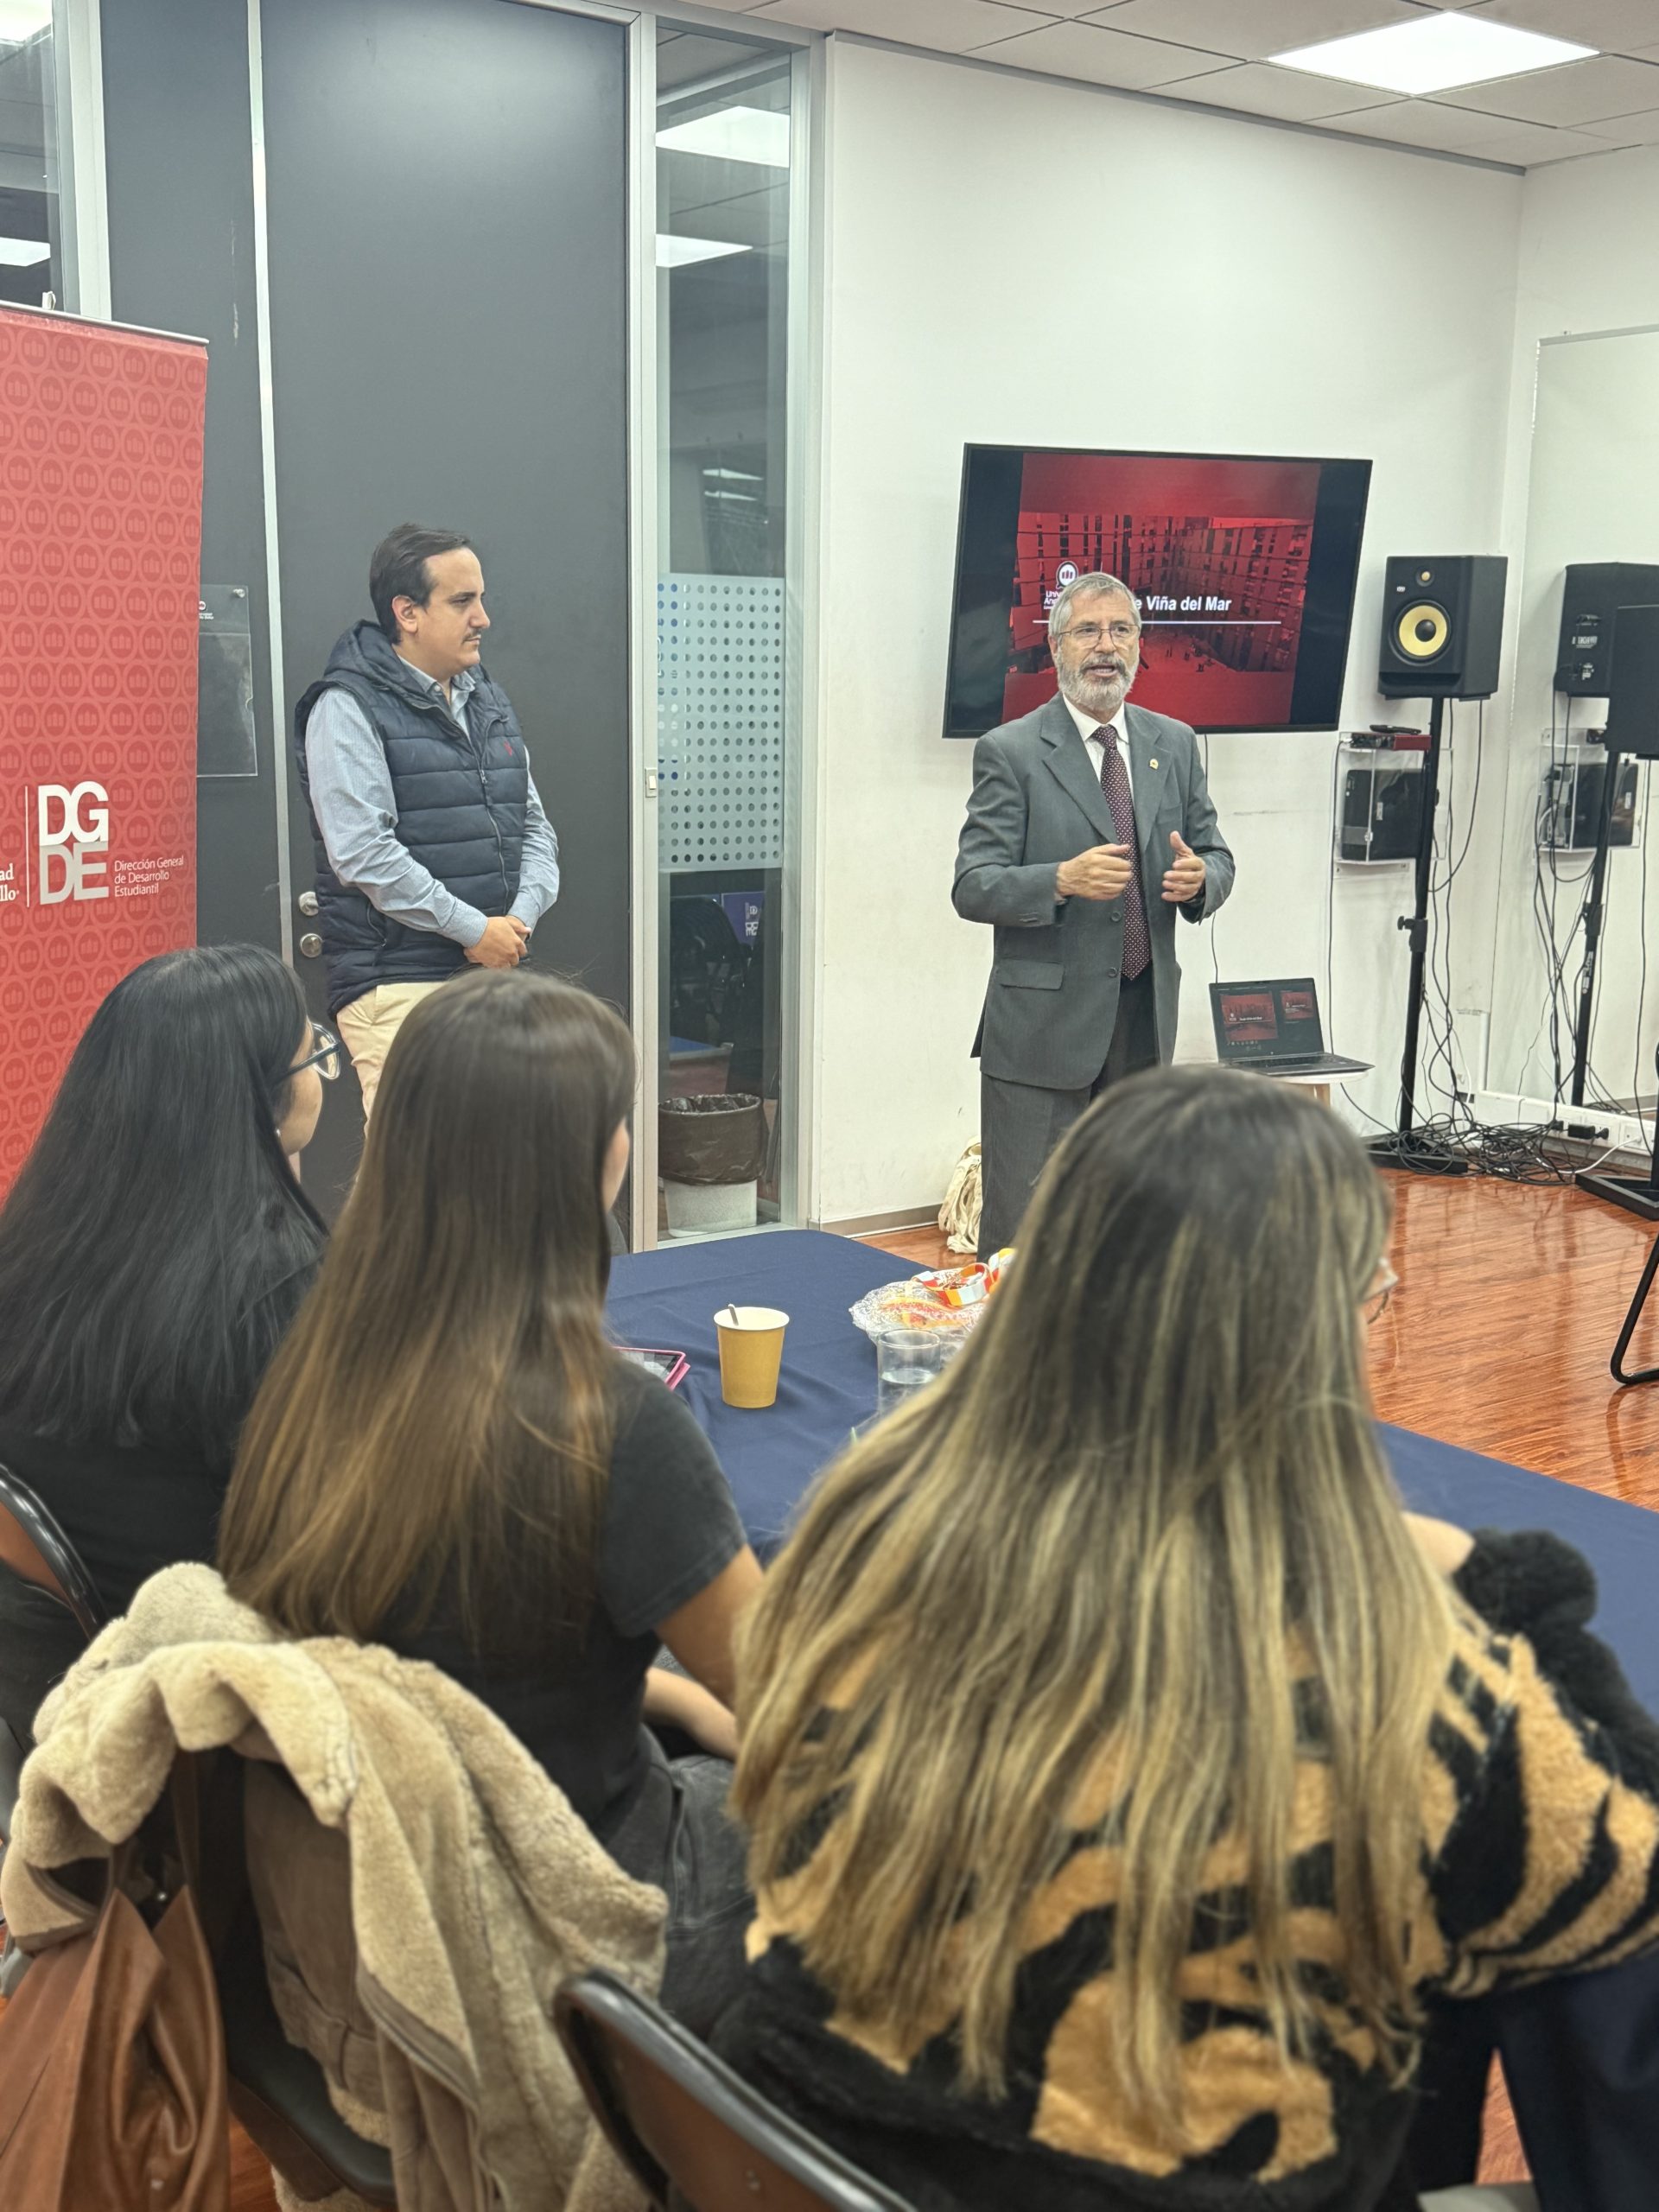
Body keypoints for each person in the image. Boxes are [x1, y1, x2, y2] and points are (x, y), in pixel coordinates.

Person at [718, 1066, 1659, 2210]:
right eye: (1371, 1296)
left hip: (813, 2156)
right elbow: (1625, 1879)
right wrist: (1508, 1589)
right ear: (1315, 1337)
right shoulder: (1399, 1679)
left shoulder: (859, 1533)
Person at [217, 971, 762, 2034]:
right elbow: (799, 1708)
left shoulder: (307, 1377)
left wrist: (677, 1700)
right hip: (585, 1938)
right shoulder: (610, 1423)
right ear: (591, 1158)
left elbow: (452, 1682)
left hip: (382, 1917)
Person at [0, 945, 330, 1618]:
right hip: (214, 1649)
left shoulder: (38, 1235)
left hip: (77, 1644)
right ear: (262, 1096)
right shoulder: (276, 1282)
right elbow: (331, 1536)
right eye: (314, 1057)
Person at [953, 571, 1234, 1258]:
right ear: (1057, 648)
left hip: (1142, 1022)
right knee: (1024, 1235)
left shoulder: (1175, 743)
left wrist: (1201, 880)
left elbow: (1217, 855)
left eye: (1121, 630)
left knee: (1130, 1227)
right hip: (1043, 1033)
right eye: (1087, 631)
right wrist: (1060, 880)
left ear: (1139, 645)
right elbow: (973, 885)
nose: (1106, 646)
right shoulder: (1011, 751)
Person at [295, 523, 563, 1121]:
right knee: (422, 1168)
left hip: (493, 973)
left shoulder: (485, 697)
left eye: (481, 599)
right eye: (462, 601)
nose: (483, 618)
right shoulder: (346, 705)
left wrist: (515, 923)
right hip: (399, 985)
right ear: (407, 613)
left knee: (503, 1158)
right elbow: (363, 852)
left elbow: (533, 825)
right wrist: (474, 929)